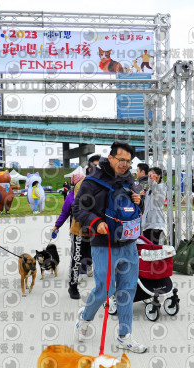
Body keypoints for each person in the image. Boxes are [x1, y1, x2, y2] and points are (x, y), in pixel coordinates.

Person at [73, 141, 147, 353]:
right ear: (111, 157)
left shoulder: (129, 180)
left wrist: (138, 201)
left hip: (128, 242)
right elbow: (78, 209)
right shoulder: (92, 181)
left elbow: (134, 209)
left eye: (129, 161)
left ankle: (125, 336)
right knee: (105, 290)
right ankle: (85, 318)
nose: (125, 164)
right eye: (121, 160)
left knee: (128, 289)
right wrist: (96, 222)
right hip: (103, 242)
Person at [52, 172, 90, 299]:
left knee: (91, 257)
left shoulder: (93, 193)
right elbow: (64, 213)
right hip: (77, 230)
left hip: (93, 231)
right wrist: (57, 226)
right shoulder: (70, 196)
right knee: (76, 258)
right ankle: (73, 285)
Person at [142, 167, 167, 245]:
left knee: (154, 248)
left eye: (152, 175)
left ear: (158, 176)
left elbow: (154, 185)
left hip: (156, 224)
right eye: (148, 176)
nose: (150, 178)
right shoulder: (149, 190)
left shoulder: (161, 187)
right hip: (147, 224)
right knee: (147, 248)